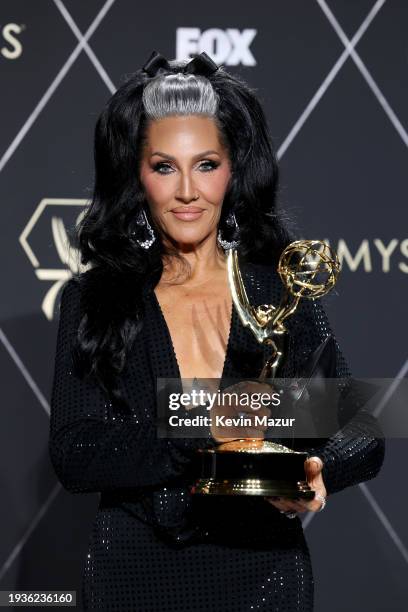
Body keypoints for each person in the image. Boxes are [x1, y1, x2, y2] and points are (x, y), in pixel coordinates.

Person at [49, 50, 385, 611]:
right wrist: (203, 423)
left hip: (264, 574)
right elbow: (75, 452)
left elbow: (361, 432)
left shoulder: (278, 291)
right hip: (133, 576)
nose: (187, 191)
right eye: (164, 167)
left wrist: (313, 469)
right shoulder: (96, 300)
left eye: (206, 164)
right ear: (137, 174)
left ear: (233, 170)